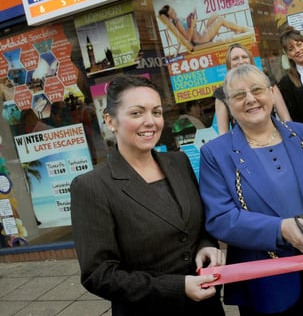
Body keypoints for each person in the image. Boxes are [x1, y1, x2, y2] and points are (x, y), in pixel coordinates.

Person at [199, 64, 303, 315]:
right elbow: (220, 219)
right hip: (267, 284)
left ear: (271, 93)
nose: (250, 99)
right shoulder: (215, 153)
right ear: (227, 104)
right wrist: (280, 229)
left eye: (257, 90)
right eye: (239, 95)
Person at [70, 76, 225, 316]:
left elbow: (197, 226)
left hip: (205, 308)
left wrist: (206, 246)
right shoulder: (92, 186)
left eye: (157, 112)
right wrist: (177, 287)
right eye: (136, 113)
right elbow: (98, 275)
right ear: (110, 121)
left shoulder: (179, 162)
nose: (150, 122)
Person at [214, 43, 291, 134]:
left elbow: (286, 119)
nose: (241, 61)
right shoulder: (221, 93)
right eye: (235, 58)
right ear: (229, 64)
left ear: (250, 60)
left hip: (274, 136)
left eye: (244, 57)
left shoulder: (268, 82)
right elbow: (223, 133)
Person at [277, 28, 303, 126]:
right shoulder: (286, 83)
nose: (297, 50)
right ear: (288, 55)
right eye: (291, 49)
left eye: (299, 44)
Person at [158, 5, 248, 45]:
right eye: (171, 12)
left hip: (201, 35)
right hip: (201, 41)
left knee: (215, 15)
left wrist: (192, 22)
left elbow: (190, 30)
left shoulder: (179, 19)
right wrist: (192, 25)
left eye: (173, 9)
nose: (174, 12)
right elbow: (188, 39)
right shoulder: (177, 23)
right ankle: (241, 29)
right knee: (220, 20)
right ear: (169, 16)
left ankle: (236, 30)